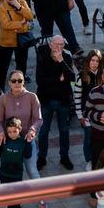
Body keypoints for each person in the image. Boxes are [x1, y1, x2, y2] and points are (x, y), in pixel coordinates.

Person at [0, 69, 48, 208]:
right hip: (10, 143)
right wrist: (0, 132)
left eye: (20, 80)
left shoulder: (32, 97)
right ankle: (12, 203)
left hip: (27, 141)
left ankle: (42, 201)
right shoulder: (2, 99)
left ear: (24, 81)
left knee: (32, 171)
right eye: (14, 81)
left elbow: (38, 119)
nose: (17, 83)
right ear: (9, 83)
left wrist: (32, 130)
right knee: (10, 174)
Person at [35, 35, 75, 170]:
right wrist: (59, 79)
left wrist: (61, 62)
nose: (59, 47)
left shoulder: (66, 58)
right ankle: (42, 157)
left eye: (62, 45)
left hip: (63, 100)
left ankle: (64, 156)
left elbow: (72, 77)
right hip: (46, 100)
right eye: (56, 44)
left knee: (64, 130)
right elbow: (40, 81)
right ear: (50, 44)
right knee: (44, 130)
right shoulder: (42, 56)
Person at [0, 116, 32, 208]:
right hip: (4, 173)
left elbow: (27, 155)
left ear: (20, 129)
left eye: (15, 131)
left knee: (14, 195)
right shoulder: (4, 139)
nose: (12, 134)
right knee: (8, 195)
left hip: (16, 174)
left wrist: (29, 143)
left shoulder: (23, 141)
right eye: (9, 132)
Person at [0, 0, 35, 84]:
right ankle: (0, 87)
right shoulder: (2, 7)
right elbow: (5, 24)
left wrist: (19, 7)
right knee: (3, 66)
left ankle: (20, 83)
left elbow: (30, 16)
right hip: (7, 41)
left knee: (21, 64)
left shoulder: (23, 3)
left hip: (21, 39)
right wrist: (22, 23)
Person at [74, 49, 103, 166]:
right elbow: (77, 97)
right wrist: (80, 116)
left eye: (97, 61)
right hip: (87, 115)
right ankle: (89, 161)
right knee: (88, 138)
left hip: (101, 114)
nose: (94, 63)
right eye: (92, 60)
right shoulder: (81, 76)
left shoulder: (103, 75)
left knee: (99, 138)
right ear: (88, 61)